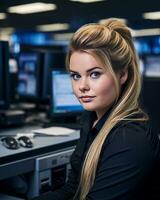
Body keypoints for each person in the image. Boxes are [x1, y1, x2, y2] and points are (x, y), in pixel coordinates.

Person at [32, 18, 160, 200]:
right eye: (75, 76)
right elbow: (72, 190)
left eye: (94, 74)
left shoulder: (131, 138)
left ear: (122, 74)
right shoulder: (91, 118)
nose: (82, 86)